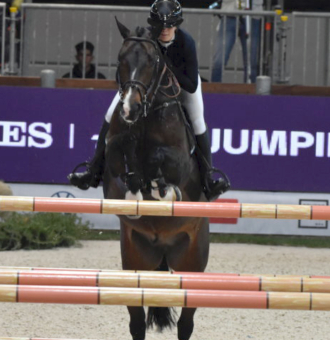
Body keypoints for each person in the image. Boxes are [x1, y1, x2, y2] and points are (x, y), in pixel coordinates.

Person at [68, 0, 230, 201]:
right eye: (160, 25)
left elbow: (190, 85)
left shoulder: (185, 42)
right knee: (110, 114)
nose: (164, 30)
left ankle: (208, 178)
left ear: (176, 24)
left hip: (184, 83)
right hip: (145, 86)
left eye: (169, 25)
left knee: (197, 121)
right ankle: (93, 171)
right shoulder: (144, 39)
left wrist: (166, 66)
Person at [210, 0, 263, 83]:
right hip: (230, 13)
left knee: (251, 62)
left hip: (252, 15)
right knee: (219, 60)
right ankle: (213, 92)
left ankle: (251, 93)